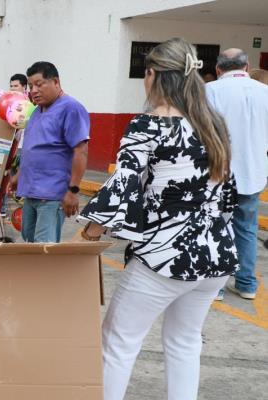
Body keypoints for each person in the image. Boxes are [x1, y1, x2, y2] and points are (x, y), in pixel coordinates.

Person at [79, 38, 237, 400]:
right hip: (215, 254)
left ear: (153, 75)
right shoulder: (214, 125)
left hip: (165, 256)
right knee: (184, 342)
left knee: (118, 342)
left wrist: (90, 233)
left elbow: (123, 185)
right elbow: (228, 190)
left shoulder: (148, 125)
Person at [206, 48, 268, 301]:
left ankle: (217, 286)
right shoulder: (265, 92)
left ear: (219, 69)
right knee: (247, 228)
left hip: (218, 172)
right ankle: (246, 284)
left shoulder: (210, 91)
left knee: (216, 226)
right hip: (254, 172)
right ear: (246, 66)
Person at [6, 61, 90, 243]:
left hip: (52, 196)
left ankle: (46, 273)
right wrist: (18, 177)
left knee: (44, 247)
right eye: (30, 86)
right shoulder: (37, 111)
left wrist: (73, 191)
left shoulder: (71, 108)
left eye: (39, 84)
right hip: (31, 193)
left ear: (56, 82)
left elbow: (81, 151)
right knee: (28, 239)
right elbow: (34, 150)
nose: (33, 90)